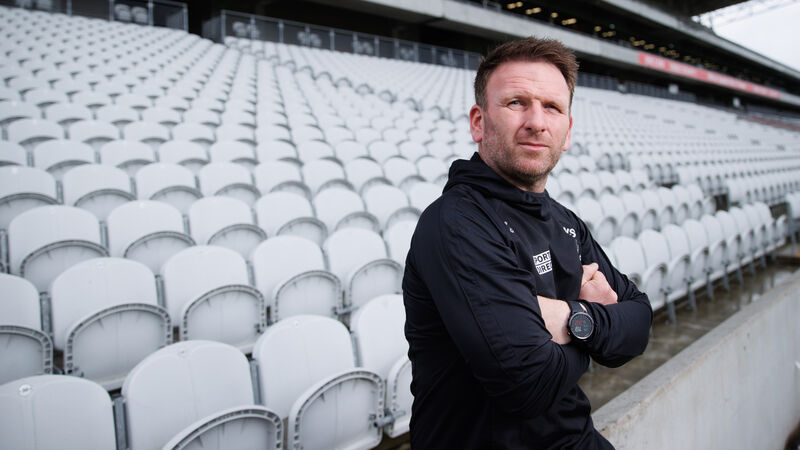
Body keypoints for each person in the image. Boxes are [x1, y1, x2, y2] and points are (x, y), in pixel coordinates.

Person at [402, 37, 653, 449]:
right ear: (478, 122)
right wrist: (598, 325)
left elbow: (639, 323)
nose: (537, 122)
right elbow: (528, 384)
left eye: (552, 107)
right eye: (516, 103)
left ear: (567, 131)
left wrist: (570, 318)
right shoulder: (457, 223)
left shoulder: (565, 222)